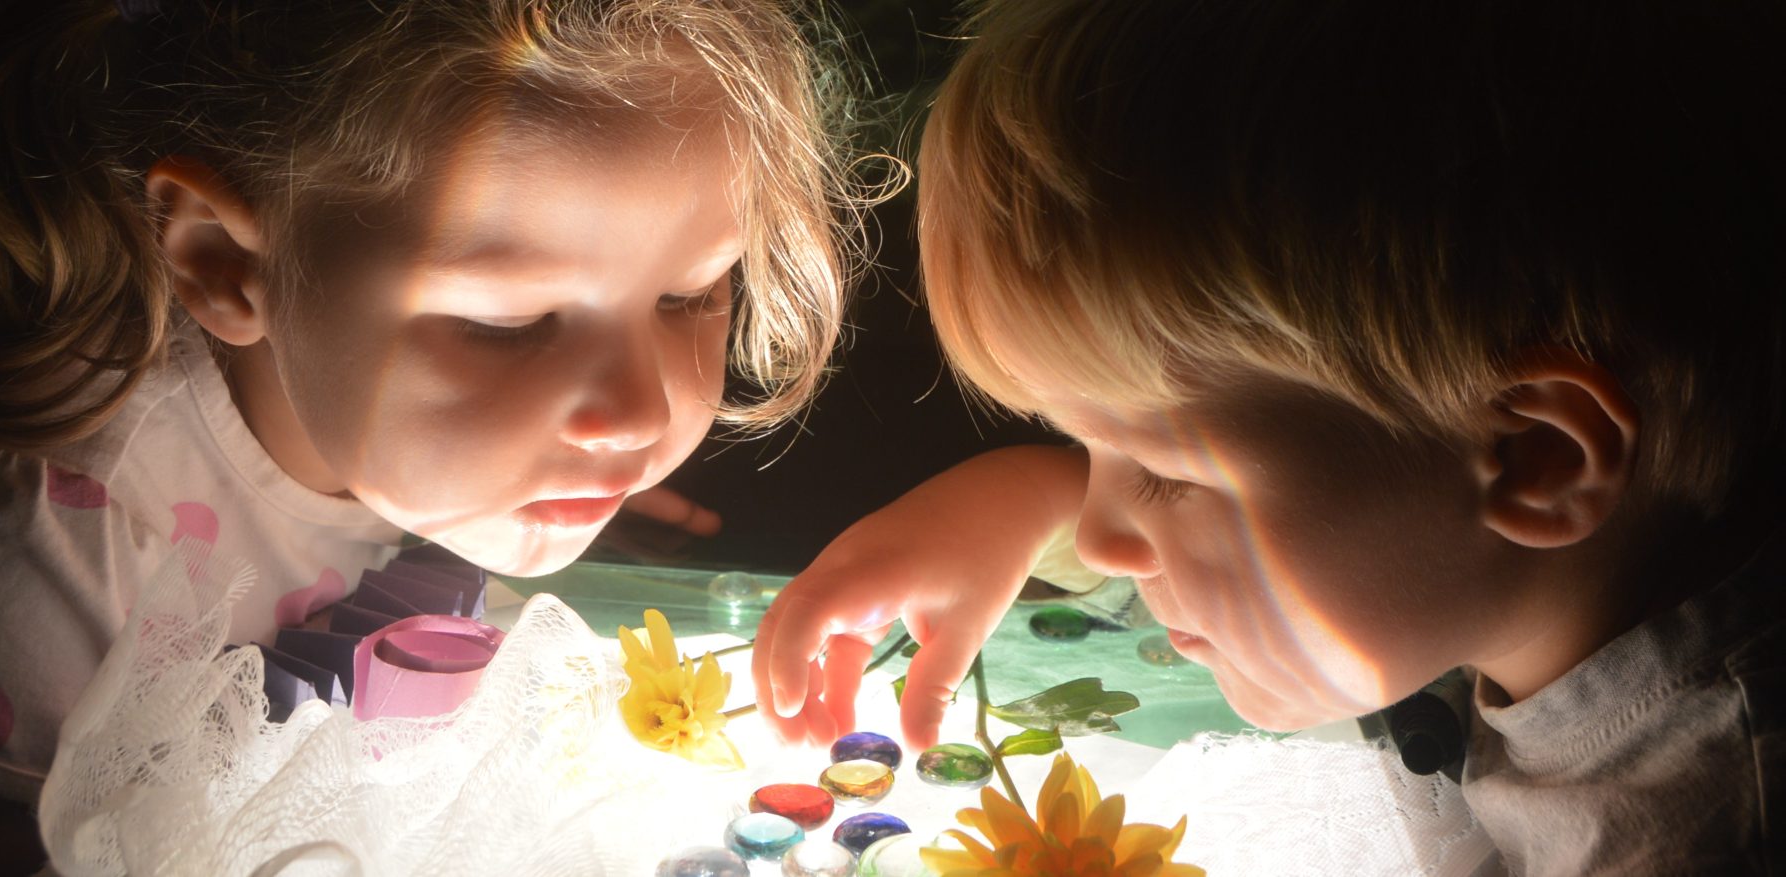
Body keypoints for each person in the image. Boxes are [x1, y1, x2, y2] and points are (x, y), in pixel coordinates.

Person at [752, 0, 1785, 871]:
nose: (1107, 539)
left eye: (1156, 469)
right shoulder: (1477, 570)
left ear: (1537, 458)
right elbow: (1307, 521)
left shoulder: (1706, 825)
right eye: (1079, 442)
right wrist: (1022, 496)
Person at [0, 0, 869, 868]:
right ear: (227, 263)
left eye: (690, 294)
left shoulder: (415, 429)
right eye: (508, 325)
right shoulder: (34, 559)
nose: (641, 414)